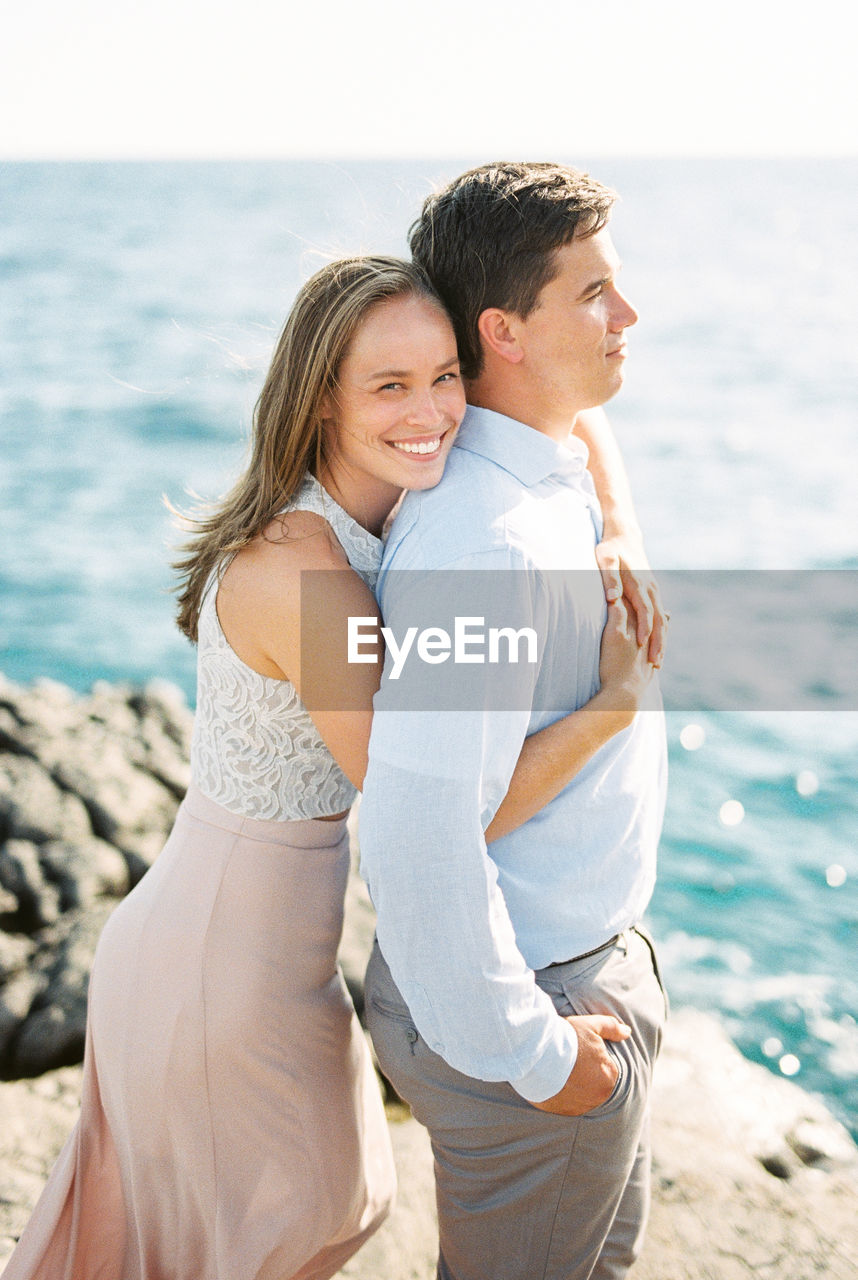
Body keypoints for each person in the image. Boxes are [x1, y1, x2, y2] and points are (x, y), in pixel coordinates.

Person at [4, 254, 656, 1280]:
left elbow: (573, 416)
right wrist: (613, 708)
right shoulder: (312, 576)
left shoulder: (396, 483)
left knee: (301, 1212)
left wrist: (614, 528)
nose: (437, 411)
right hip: (217, 959)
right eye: (390, 387)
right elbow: (449, 814)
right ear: (320, 401)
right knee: (286, 1223)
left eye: (447, 376)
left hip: (274, 941)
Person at [360, 162, 669, 1280]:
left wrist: (621, 524)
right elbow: (415, 836)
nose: (627, 315)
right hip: (526, 997)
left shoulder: (544, 453)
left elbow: (588, 438)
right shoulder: (484, 548)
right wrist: (534, 1055)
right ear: (505, 331)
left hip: (577, 960)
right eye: (593, 293)